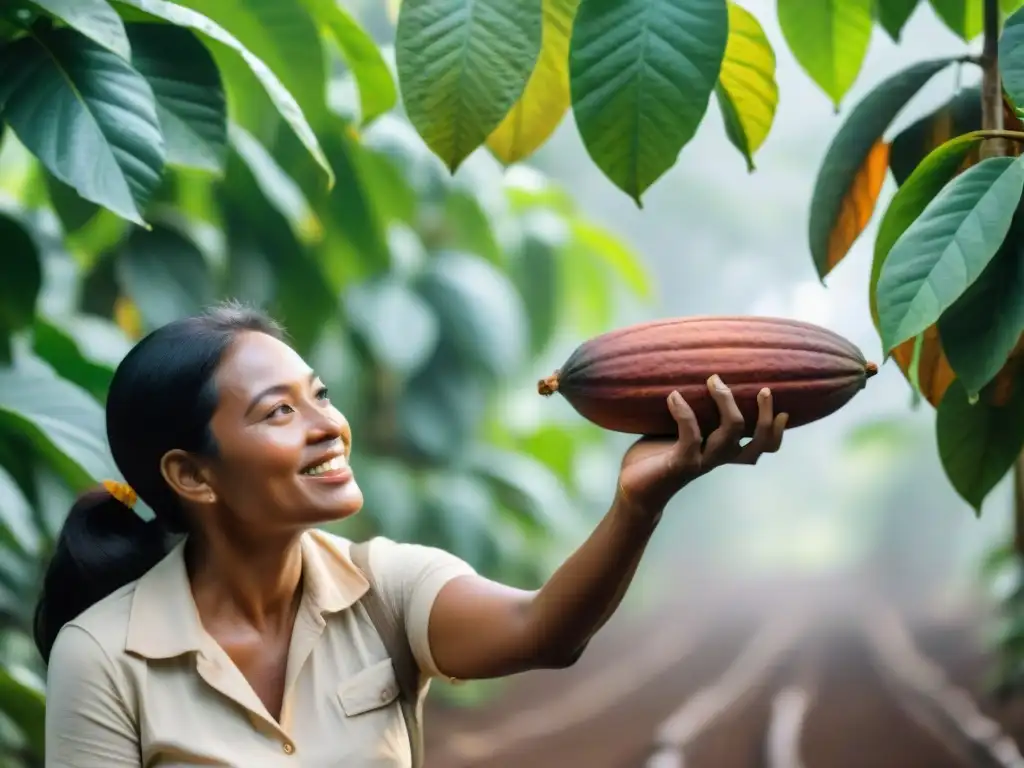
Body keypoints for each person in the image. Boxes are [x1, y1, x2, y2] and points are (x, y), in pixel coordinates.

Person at [36, 301, 788, 767]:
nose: (329, 426)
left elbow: (544, 631)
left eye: (320, 397)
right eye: (278, 413)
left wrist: (637, 504)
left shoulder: (386, 588)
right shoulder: (103, 657)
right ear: (192, 476)